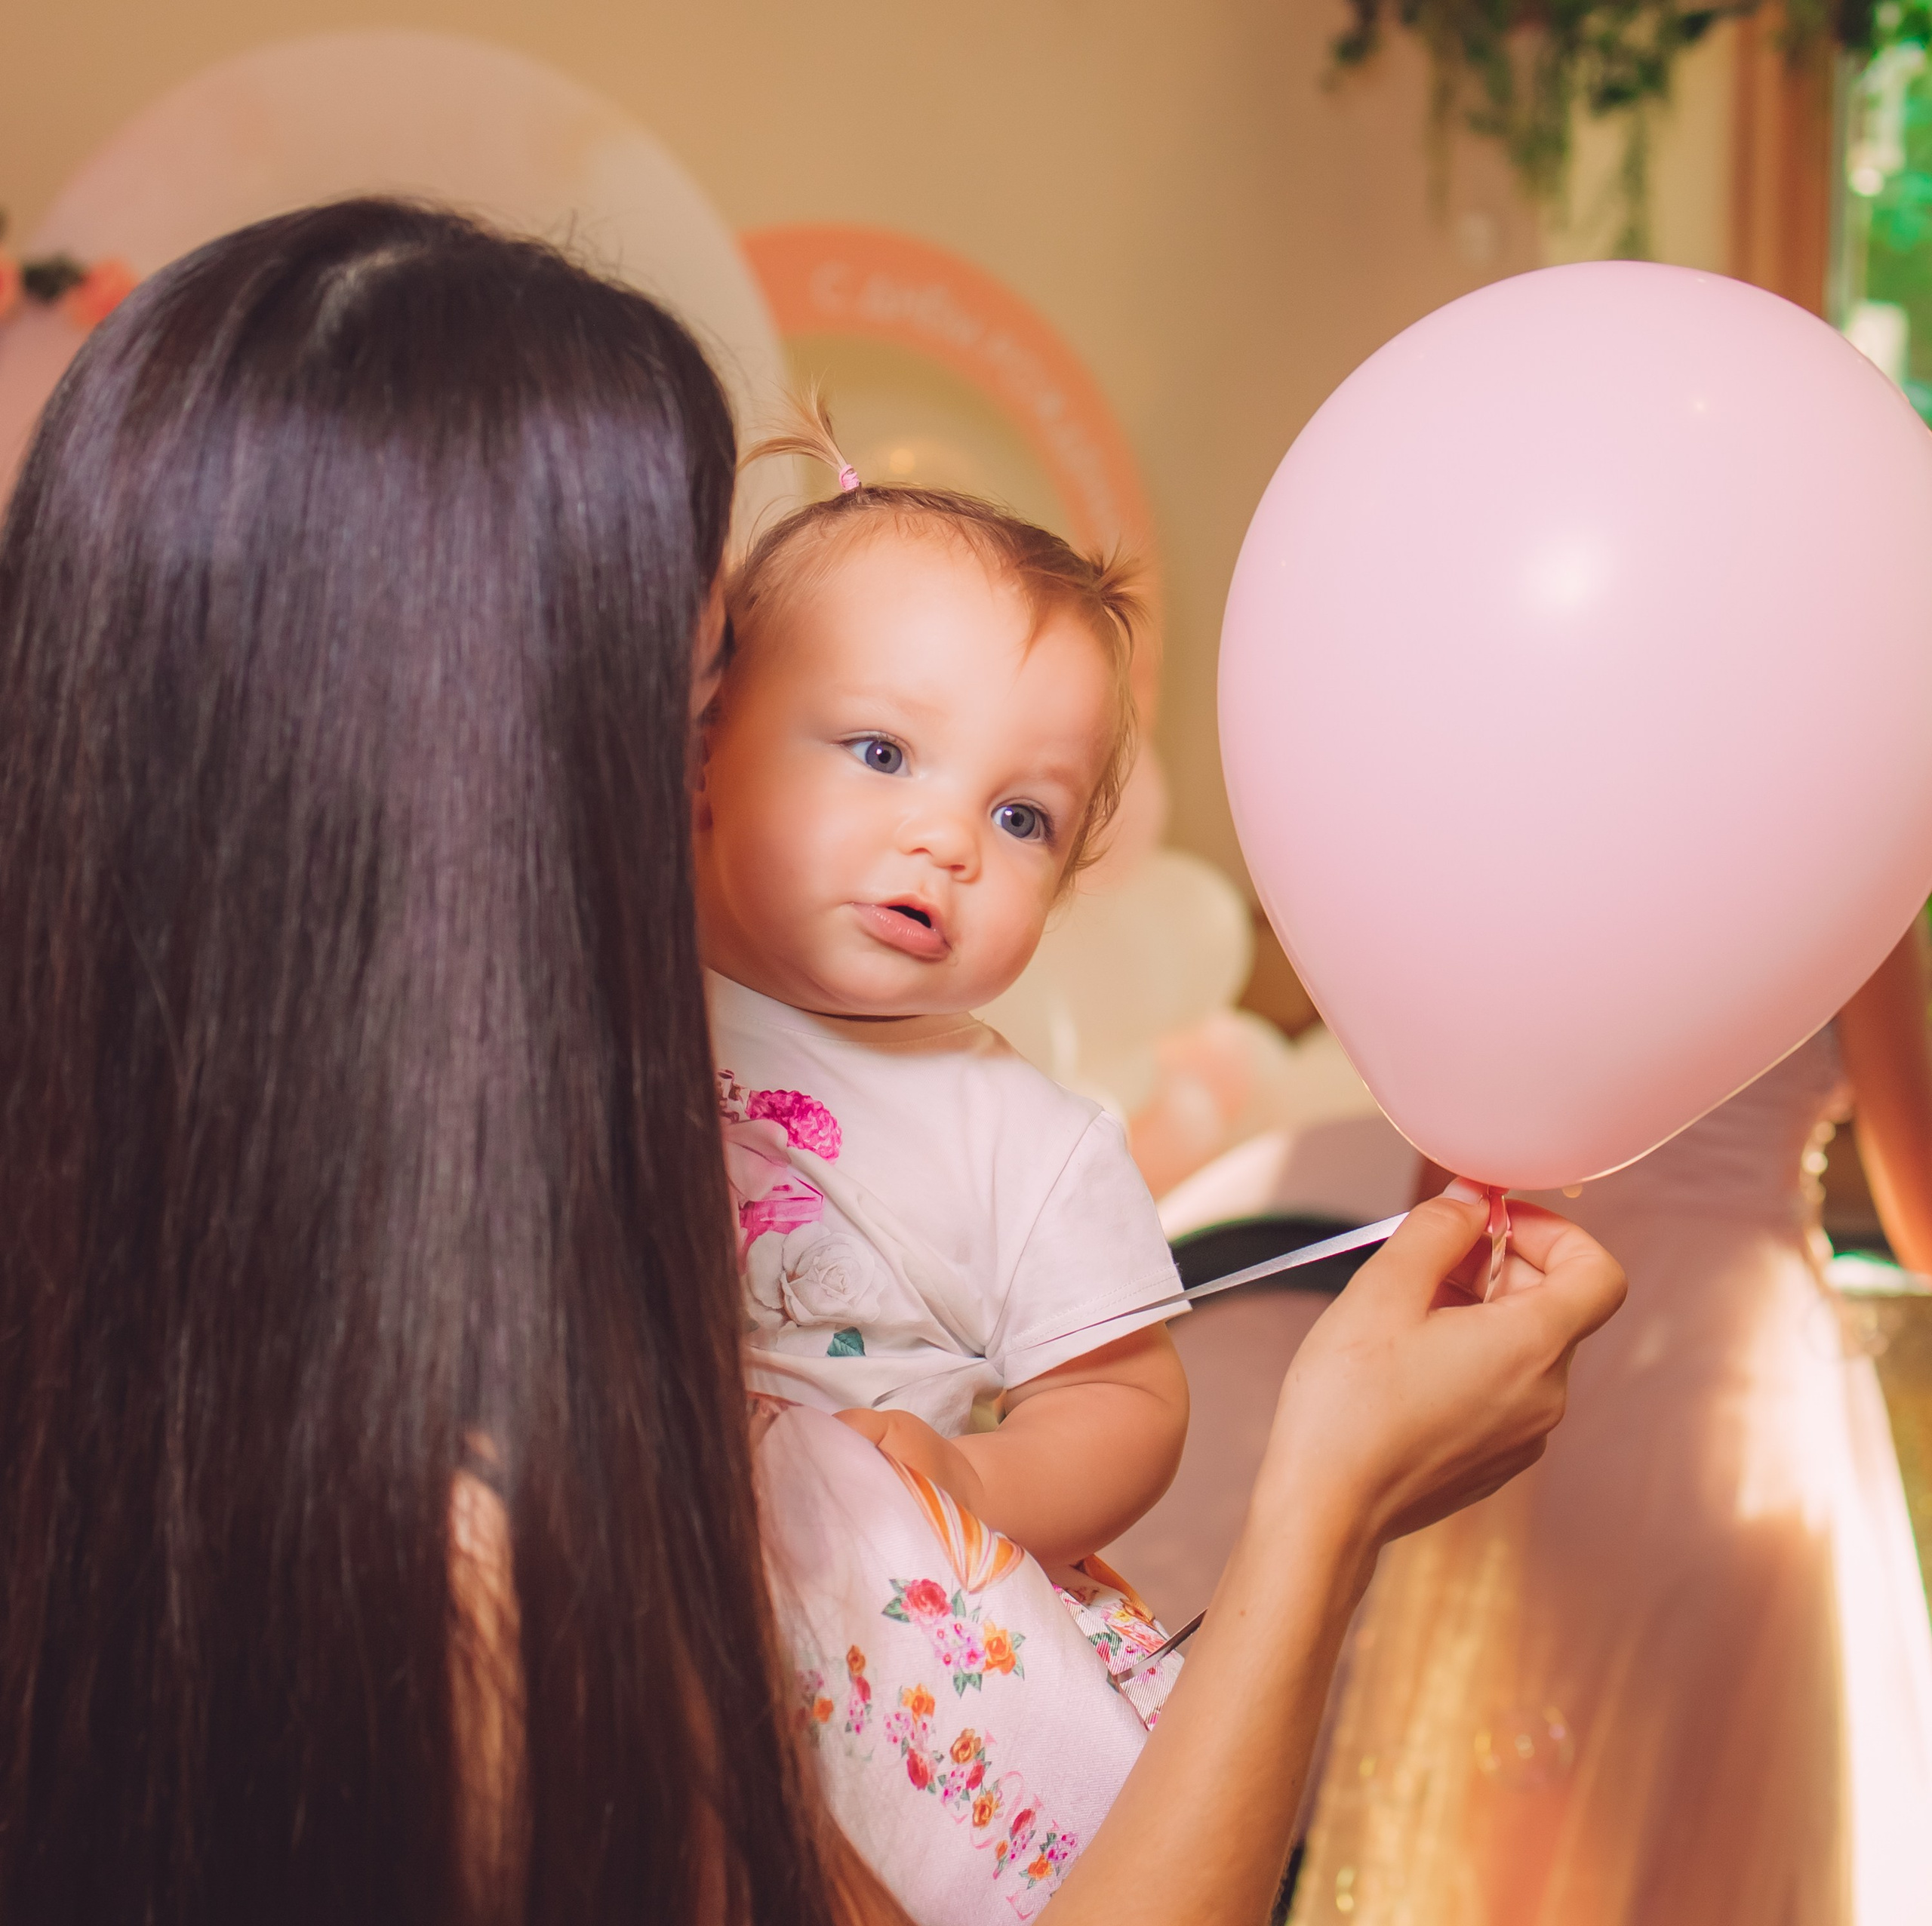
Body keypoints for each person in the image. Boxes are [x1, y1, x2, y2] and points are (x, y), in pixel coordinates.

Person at [0, 197, 1626, 1926]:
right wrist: (1324, 1504)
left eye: (1014, 814)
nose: (907, 837)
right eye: (712, 697)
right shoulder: (486, 1580)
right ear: (486, 782)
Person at [1294, 948, 1932, 1925]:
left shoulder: (1552, 862)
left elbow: (1448, 1198)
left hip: (1550, 1348)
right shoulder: (1862, 871)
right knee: (1712, 1787)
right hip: (1737, 1383)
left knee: (1524, 1790)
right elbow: (1924, 1221)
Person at [695, 397, 1186, 1609]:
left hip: (876, 1625)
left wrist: (973, 1483)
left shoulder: (1023, 1138)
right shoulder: (580, 988)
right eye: (882, 752)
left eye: (1022, 818)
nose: (950, 842)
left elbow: (1124, 1404)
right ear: (703, 743)